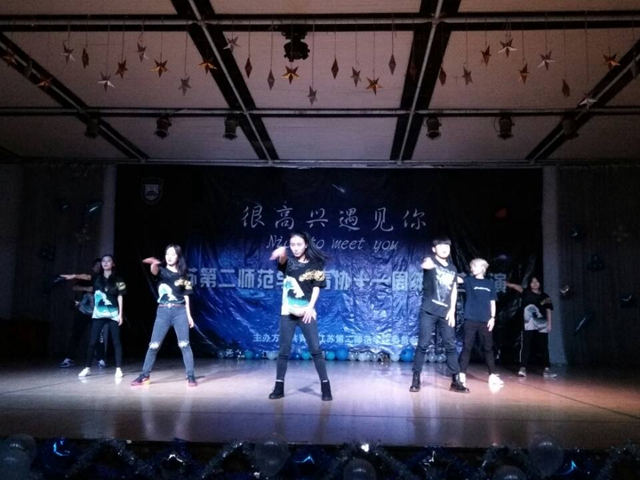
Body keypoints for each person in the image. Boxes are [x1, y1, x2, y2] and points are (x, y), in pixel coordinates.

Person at [268, 231, 332, 401]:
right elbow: (282, 260)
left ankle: (326, 387)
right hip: (287, 313)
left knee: (316, 350)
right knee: (284, 350)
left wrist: (310, 308)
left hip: (307, 313)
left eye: (299, 245)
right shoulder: (288, 263)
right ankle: (279, 387)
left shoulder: (316, 264)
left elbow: (317, 287)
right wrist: (282, 251)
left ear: (306, 245)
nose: (295, 248)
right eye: (292, 245)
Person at [130, 245, 197, 387]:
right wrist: (154, 263)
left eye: (173, 254)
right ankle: (145, 375)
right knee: (154, 345)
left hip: (179, 312)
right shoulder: (161, 271)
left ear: (178, 257)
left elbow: (186, 297)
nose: (170, 257)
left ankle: (190, 375)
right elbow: (153, 270)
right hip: (163, 312)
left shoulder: (184, 276)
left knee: (184, 344)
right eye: (167, 254)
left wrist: (189, 316)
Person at [410, 237, 469, 393]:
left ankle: (455, 381)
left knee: (450, 345)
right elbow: (425, 264)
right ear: (434, 249)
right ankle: (416, 378)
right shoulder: (430, 260)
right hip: (428, 311)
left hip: (445, 313)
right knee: (423, 344)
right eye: (441, 246)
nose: (444, 248)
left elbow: (454, 290)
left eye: (447, 246)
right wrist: (427, 264)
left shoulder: (452, 268)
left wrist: (452, 310)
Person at [61, 254, 126, 379]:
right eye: (103, 261)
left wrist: (120, 314)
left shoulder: (119, 279)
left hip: (113, 314)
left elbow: (120, 296)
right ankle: (87, 368)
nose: (105, 263)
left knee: (116, 342)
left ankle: (118, 369)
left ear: (113, 264)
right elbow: (85, 276)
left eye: (108, 261)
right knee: (92, 342)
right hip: (98, 314)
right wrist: (73, 276)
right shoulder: (97, 277)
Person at [458, 258, 503, 386]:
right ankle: (461, 375)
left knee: (488, 348)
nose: (472, 268)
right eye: (471, 266)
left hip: (485, 321)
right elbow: (456, 279)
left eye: (474, 266)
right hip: (470, 319)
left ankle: (492, 376)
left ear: (482, 268)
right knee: (467, 347)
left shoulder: (490, 284)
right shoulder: (468, 280)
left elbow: (492, 302)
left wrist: (492, 318)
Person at [58, 258, 107, 369]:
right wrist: (86, 288)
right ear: (93, 267)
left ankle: (101, 359)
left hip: (97, 312)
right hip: (83, 311)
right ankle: (69, 358)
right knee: (76, 334)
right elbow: (75, 286)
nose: (98, 267)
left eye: (100, 265)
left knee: (99, 336)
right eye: (96, 265)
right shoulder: (88, 278)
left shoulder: (103, 279)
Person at [506, 276, 557, 378]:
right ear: (529, 284)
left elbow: (548, 310)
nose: (535, 284)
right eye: (532, 282)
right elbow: (516, 287)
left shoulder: (545, 296)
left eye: (537, 282)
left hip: (542, 323)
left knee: (544, 347)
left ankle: (547, 369)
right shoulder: (526, 292)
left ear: (540, 283)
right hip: (528, 323)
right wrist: (507, 284)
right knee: (526, 345)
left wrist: (549, 324)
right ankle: (522, 368)